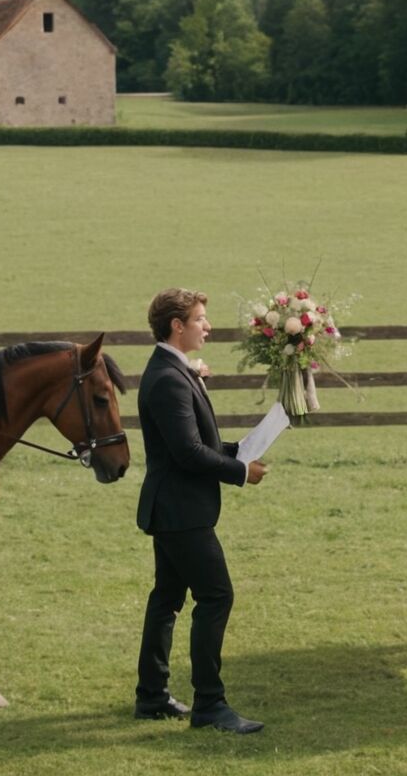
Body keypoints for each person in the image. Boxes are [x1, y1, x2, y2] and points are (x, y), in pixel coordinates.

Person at [134, 288, 269, 734]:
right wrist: (238, 470)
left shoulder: (174, 371)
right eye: (200, 319)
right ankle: (210, 705)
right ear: (177, 325)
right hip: (181, 513)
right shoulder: (169, 378)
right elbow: (189, 452)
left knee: (167, 599)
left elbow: (194, 443)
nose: (207, 326)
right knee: (216, 596)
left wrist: (238, 451)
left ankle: (151, 697)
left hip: (174, 509)